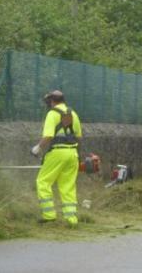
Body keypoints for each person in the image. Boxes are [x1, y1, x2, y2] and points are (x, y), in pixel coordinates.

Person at [30, 90, 82, 226]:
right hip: (73, 153)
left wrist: (38, 148)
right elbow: (79, 136)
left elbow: (48, 136)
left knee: (43, 181)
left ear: (52, 101)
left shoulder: (52, 114)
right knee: (67, 186)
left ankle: (49, 215)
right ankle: (71, 220)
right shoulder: (73, 114)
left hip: (58, 152)